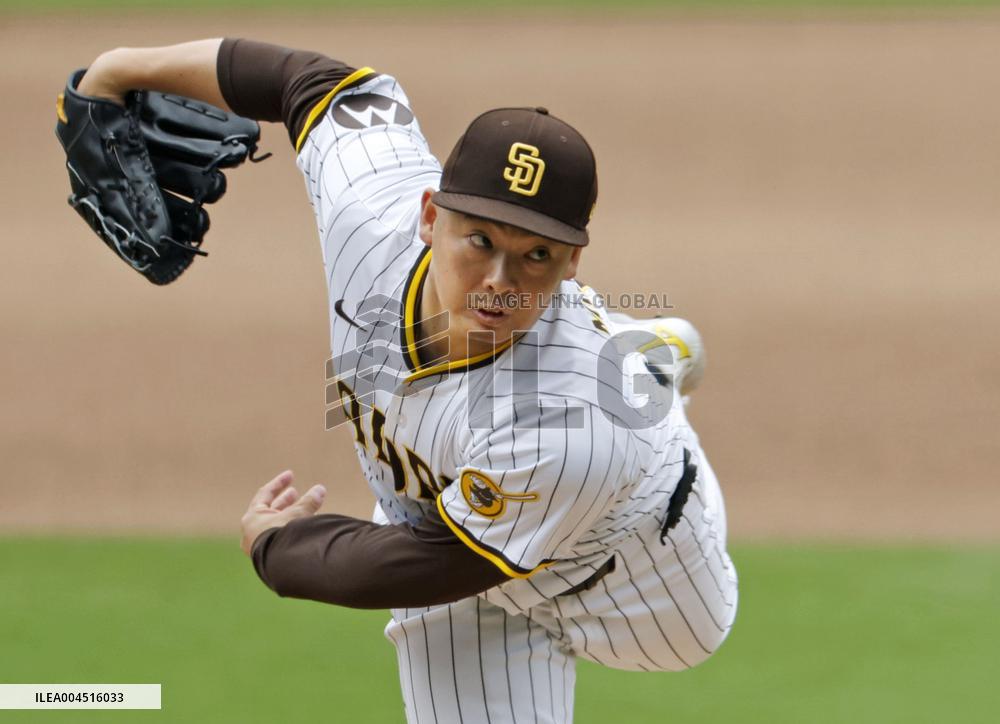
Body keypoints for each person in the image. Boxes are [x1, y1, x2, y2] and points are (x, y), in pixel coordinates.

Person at [77, 38, 738, 723]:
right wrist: (119, 69)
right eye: (479, 239)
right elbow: (309, 80)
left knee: (682, 613)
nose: (498, 284)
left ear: (573, 262)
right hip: (446, 542)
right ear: (428, 215)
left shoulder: (577, 428)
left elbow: (438, 563)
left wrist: (279, 550)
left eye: (535, 255)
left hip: (627, 578)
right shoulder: (370, 213)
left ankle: (647, 367)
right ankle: (640, 354)